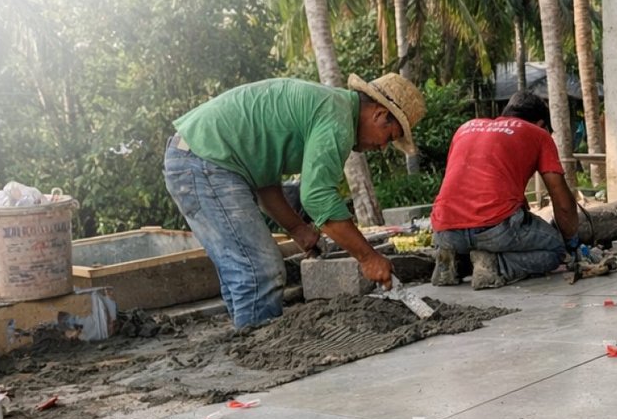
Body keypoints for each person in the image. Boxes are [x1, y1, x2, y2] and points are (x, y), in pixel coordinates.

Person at [164, 74, 427, 329]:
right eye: (389, 137)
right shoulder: (337, 119)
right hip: (204, 160)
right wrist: (368, 258)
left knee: (244, 270)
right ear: (379, 114)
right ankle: (262, 357)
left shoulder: (330, 107)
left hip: (198, 157)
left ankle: (249, 343)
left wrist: (297, 228)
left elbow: (266, 182)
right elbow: (317, 197)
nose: (382, 148)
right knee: (259, 271)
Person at [429, 91, 579, 289]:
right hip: (493, 228)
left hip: (444, 230)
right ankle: (496, 266)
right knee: (554, 250)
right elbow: (563, 204)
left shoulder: (465, 129)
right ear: (542, 124)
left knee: (479, 236)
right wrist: (571, 241)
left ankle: (455, 262)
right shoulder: (538, 134)